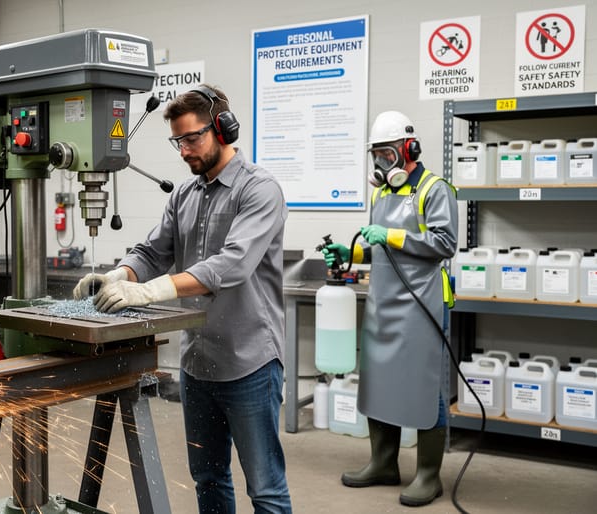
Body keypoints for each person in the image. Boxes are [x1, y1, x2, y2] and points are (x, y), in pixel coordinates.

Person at [73, 85, 292, 513]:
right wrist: (120, 273)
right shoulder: (184, 196)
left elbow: (233, 264)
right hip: (198, 364)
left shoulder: (260, 190)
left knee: (264, 488)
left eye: (192, 139)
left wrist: (153, 290)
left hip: (249, 362)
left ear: (223, 130)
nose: (184, 151)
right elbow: (154, 251)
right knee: (208, 478)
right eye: (178, 141)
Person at [322, 111, 458, 507]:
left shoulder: (435, 189)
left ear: (408, 149)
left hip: (422, 305)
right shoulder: (381, 193)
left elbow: (444, 243)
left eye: (386, 152)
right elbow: (379, 245)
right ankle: (383, 463)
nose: (381, 161)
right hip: (384, 303)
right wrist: (353, 251)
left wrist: (392, 234)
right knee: (380, 383)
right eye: (376, 154)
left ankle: (429, 476)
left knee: (424, 388)